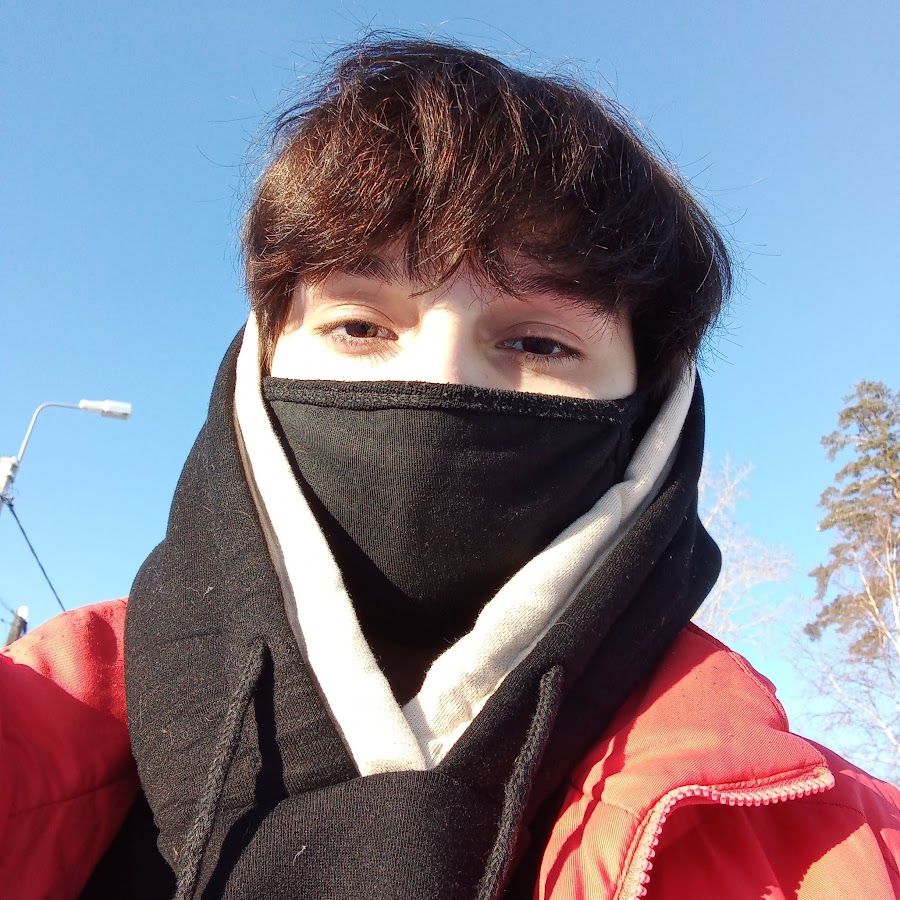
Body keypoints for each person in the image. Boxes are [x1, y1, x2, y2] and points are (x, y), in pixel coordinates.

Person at [1, 38, 898, 900]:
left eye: (538, 342)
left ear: (650, 404)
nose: (440, 380)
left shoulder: (848, 854)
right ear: (261, 361)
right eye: (360, 325)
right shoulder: (30, 736)